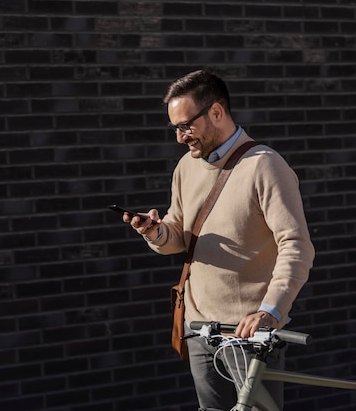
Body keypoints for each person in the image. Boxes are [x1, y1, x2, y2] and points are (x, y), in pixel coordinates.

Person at [121, 69, 315, 411]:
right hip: (199, 330)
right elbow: (179, 235)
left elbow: (296, 246)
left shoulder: (265, 166)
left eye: (186, 126)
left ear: (216, 112)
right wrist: (155, 232)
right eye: (175, 128)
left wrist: (269, 312)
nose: (180, 137)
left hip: (249, 335)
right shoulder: (186, 167)